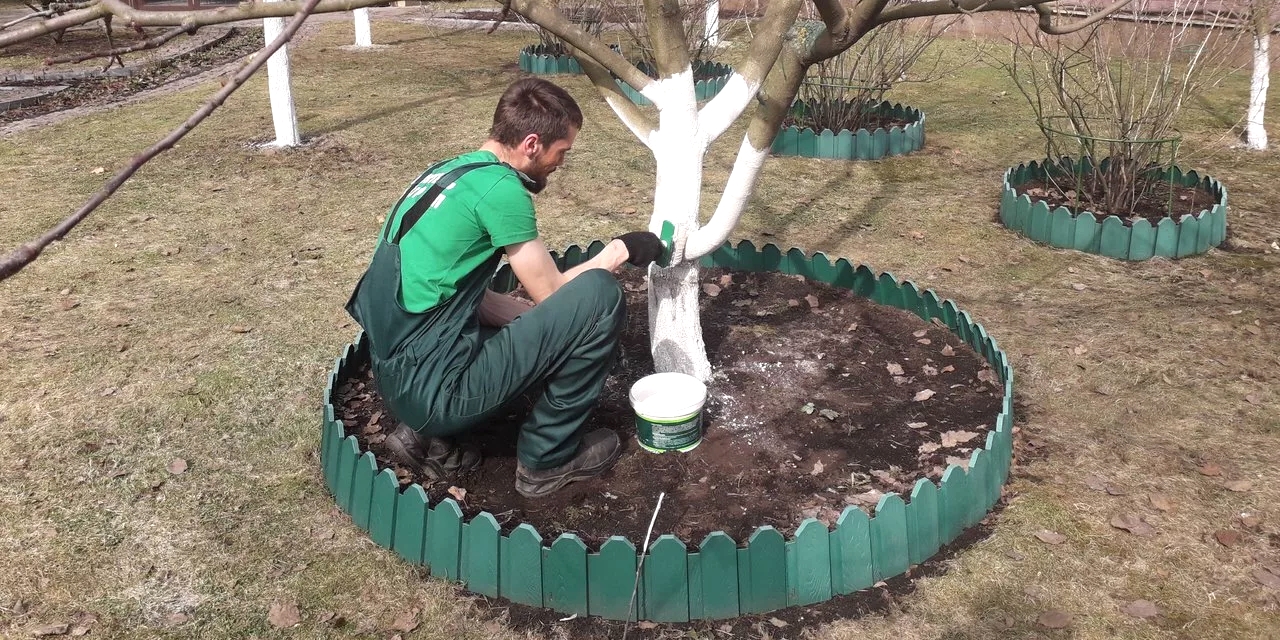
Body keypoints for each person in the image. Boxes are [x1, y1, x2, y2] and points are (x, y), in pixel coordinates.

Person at [345, 77, 665, 498]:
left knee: (541, 321)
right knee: (600, 297)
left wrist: (544, 327)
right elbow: (556, 293)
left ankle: (426, 437)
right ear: (532, 143)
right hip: (435, 394)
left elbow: (460, 295)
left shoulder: (447, 174)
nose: (561, 162)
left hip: (398, 380)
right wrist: (620, 250)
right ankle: (547, 461)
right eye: (561, 151)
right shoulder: (501, 190)